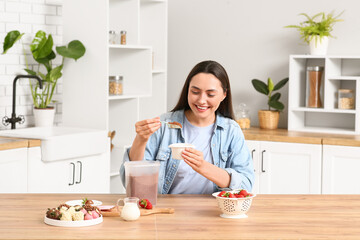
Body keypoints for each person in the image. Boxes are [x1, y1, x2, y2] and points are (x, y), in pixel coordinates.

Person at [121, 60, 254, 194]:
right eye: (195, 92)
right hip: (169, 210)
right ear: (187, 91)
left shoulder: (231, 131)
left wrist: (204, 167)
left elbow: (246, 185)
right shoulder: (165, 125)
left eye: (210, 94)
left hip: (214, 211)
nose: (201, 100)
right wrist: (140, 140)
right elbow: (133, 185)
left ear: (224, 95)